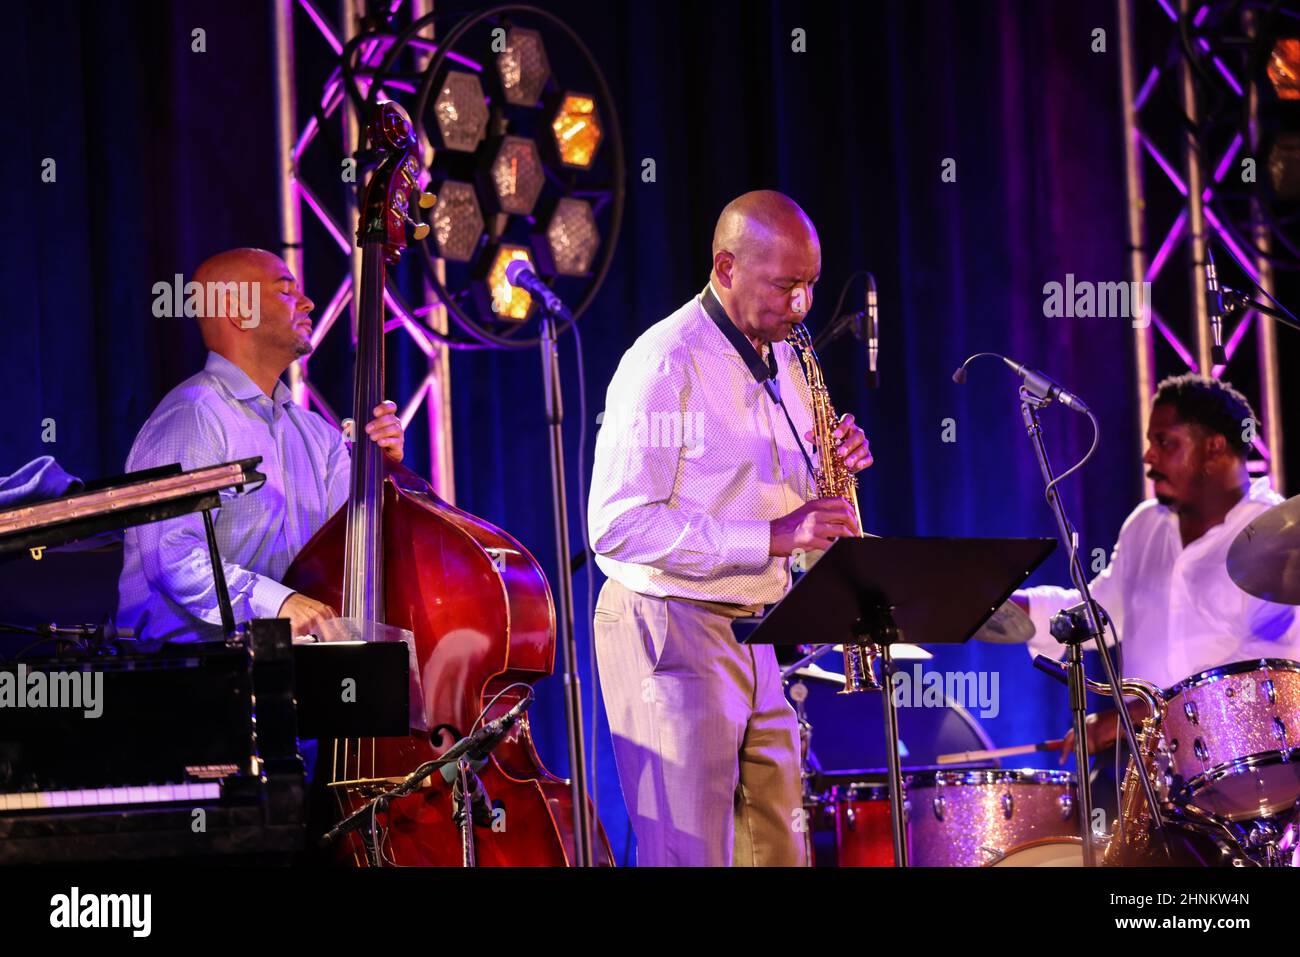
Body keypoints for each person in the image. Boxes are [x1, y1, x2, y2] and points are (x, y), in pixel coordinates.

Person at [588, 190, 872, 866]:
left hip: (756, 630)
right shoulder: (666, 361)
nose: (802, 305)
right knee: (689, 857)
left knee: (780, 849)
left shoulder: (792, 360)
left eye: (809, 284)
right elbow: (617, 525)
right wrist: (773, 536)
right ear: (725, 267)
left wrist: (834, 466)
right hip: (670, 621)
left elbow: (771, 489)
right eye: (784, 286)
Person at [117, 248, 404, 642]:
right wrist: (278, 603)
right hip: (191, 676)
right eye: (286, 292)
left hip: (287, 670)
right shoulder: (193, 415)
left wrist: (384, 472)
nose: (308, 302)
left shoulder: (317, 434)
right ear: (239, 311)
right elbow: (172, 557)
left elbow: (353, 545)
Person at [1013, 373, 1300, 758]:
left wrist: (1141, 711)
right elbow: (1100, 613)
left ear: (1214, 448)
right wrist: (1011, 606)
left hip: (1248, 763)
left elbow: (1267, 671)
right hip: (1154, 773)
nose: (1149, 455)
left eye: (1164, 442)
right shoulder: (1145, 525)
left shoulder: (1281, 535)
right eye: (1151, 442)